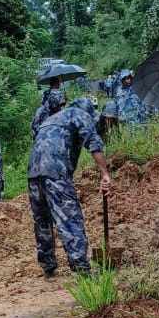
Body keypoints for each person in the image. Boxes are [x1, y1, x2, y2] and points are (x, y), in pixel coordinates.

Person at [27, 96, 112, 278]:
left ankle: (48, 266)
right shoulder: (80, 114)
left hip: (33, 172)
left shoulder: (52, 119)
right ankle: (81, 268)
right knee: (70, 218)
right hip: (55, 171)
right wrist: (105, 173)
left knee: (42, 220)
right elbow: (93, 143)